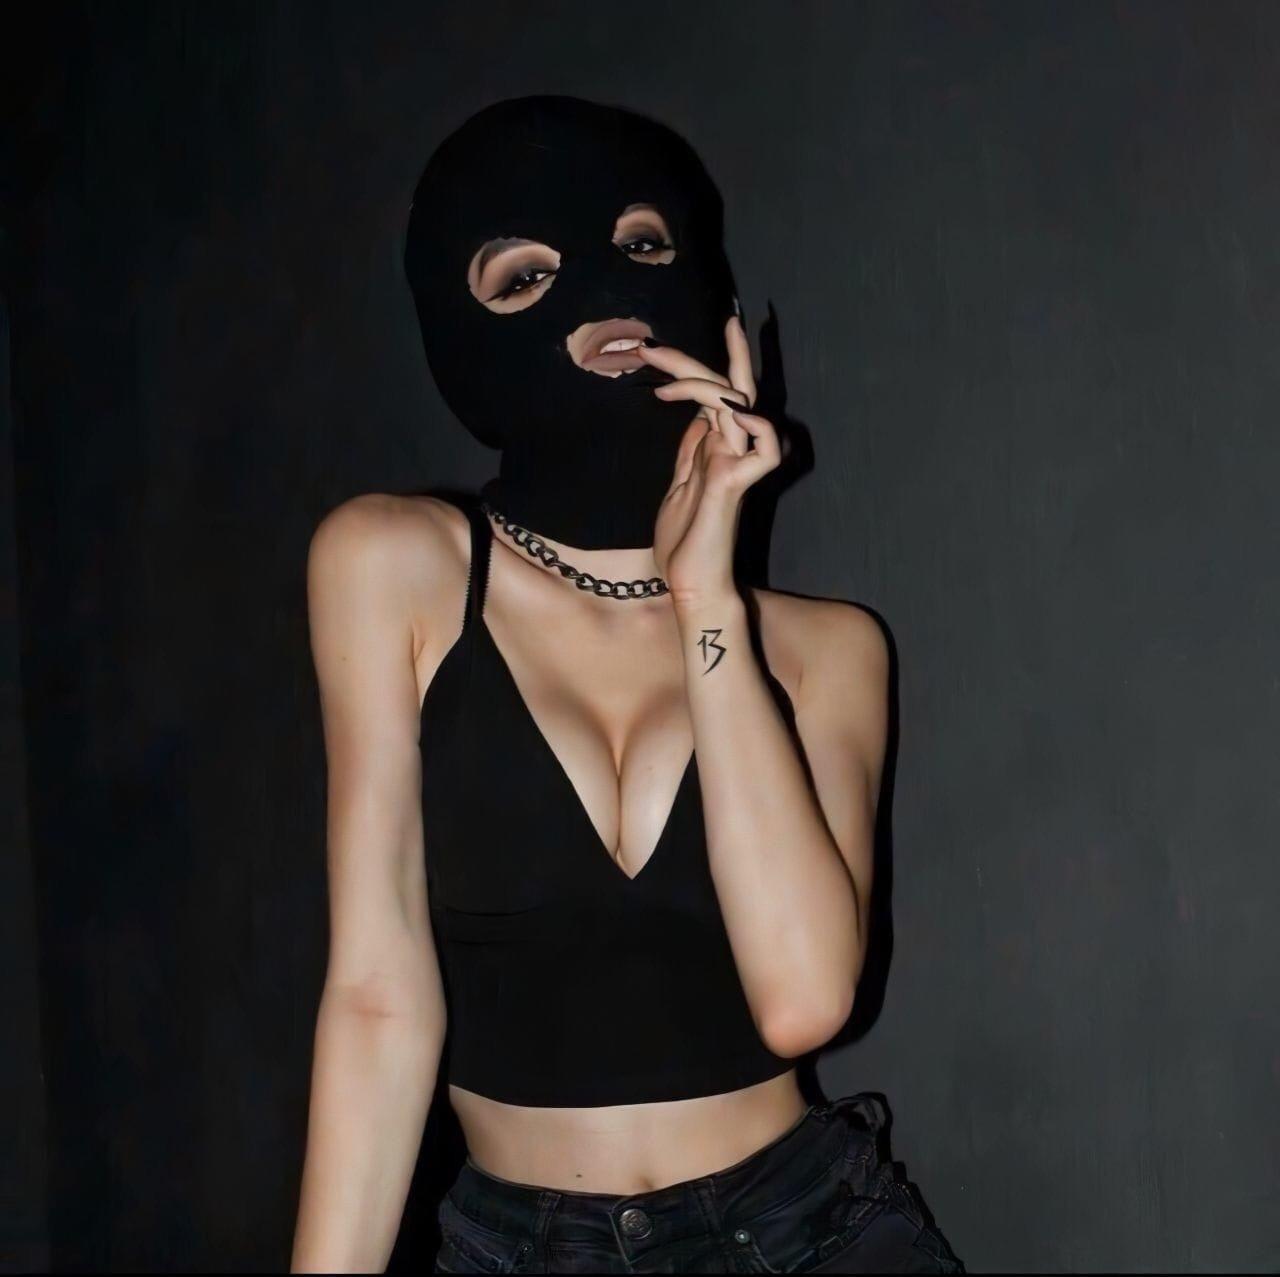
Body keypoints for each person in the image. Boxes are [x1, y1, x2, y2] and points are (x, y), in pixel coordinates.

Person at [291, 95, 963, 1274]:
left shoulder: (825, 649)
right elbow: (377, 995)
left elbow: (802, 1001)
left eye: (642, 244)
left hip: (809, 1230)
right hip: (519, 1246)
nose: (601, 285)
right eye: (523, 273)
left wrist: (705, 602)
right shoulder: (392, 566)